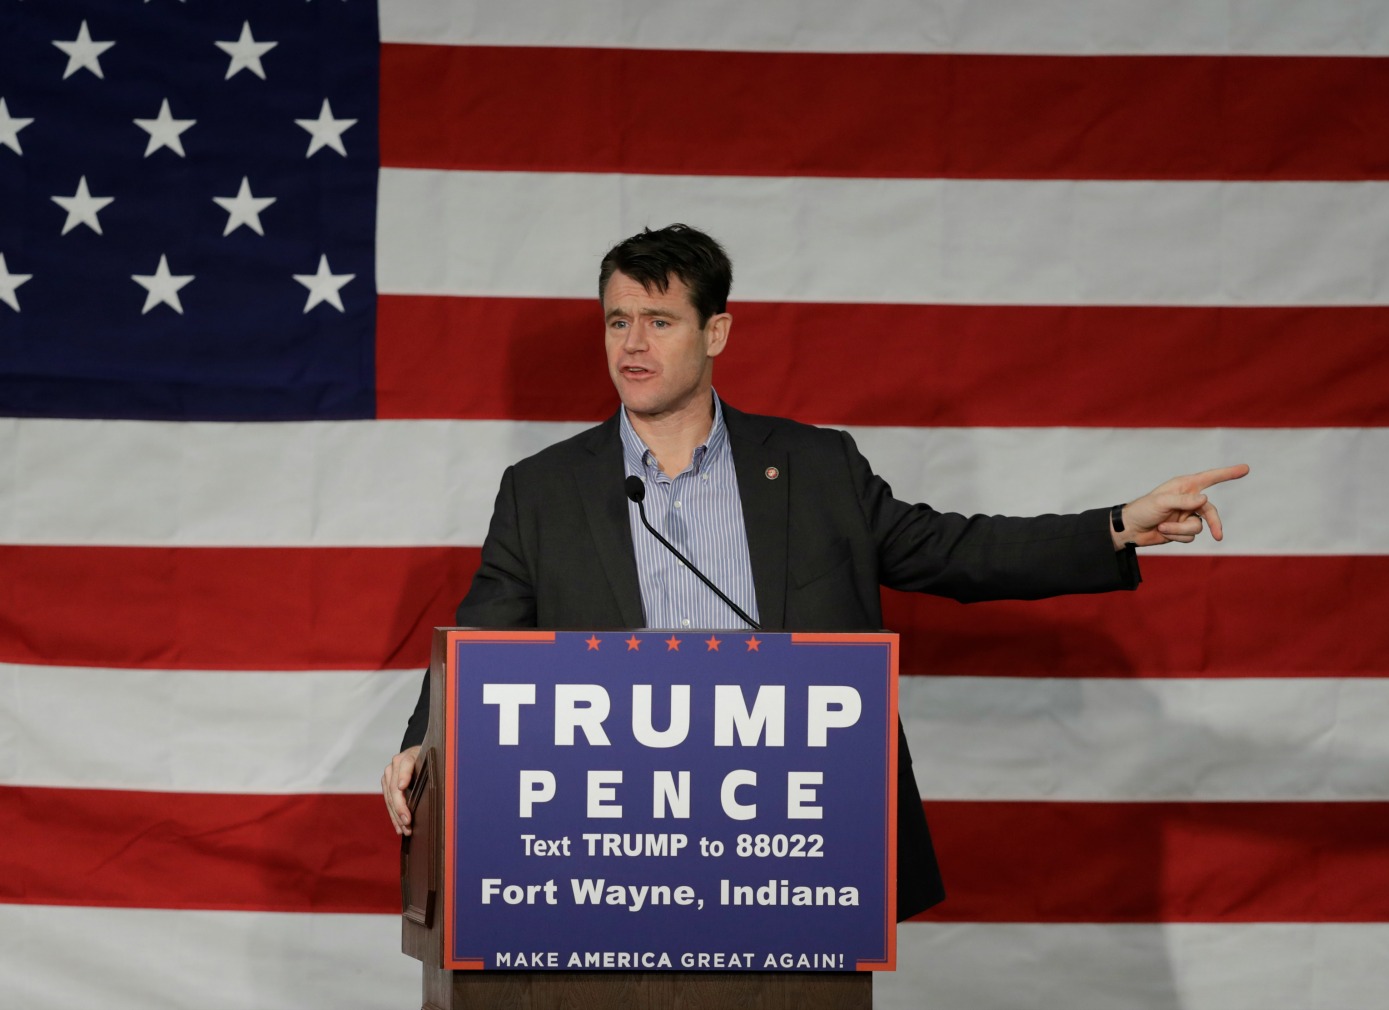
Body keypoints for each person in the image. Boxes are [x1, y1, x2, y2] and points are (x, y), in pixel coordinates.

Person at [381, 223, 1248, 920]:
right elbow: (482, 632)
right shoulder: (544, 490)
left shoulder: (814, 468)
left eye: (659, 320)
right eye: (617, 321)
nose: (632, 344)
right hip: (620, 846)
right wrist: (426, 743)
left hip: (795, 838)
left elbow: (953, 550)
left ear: (716, 332)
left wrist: (1116, 526)